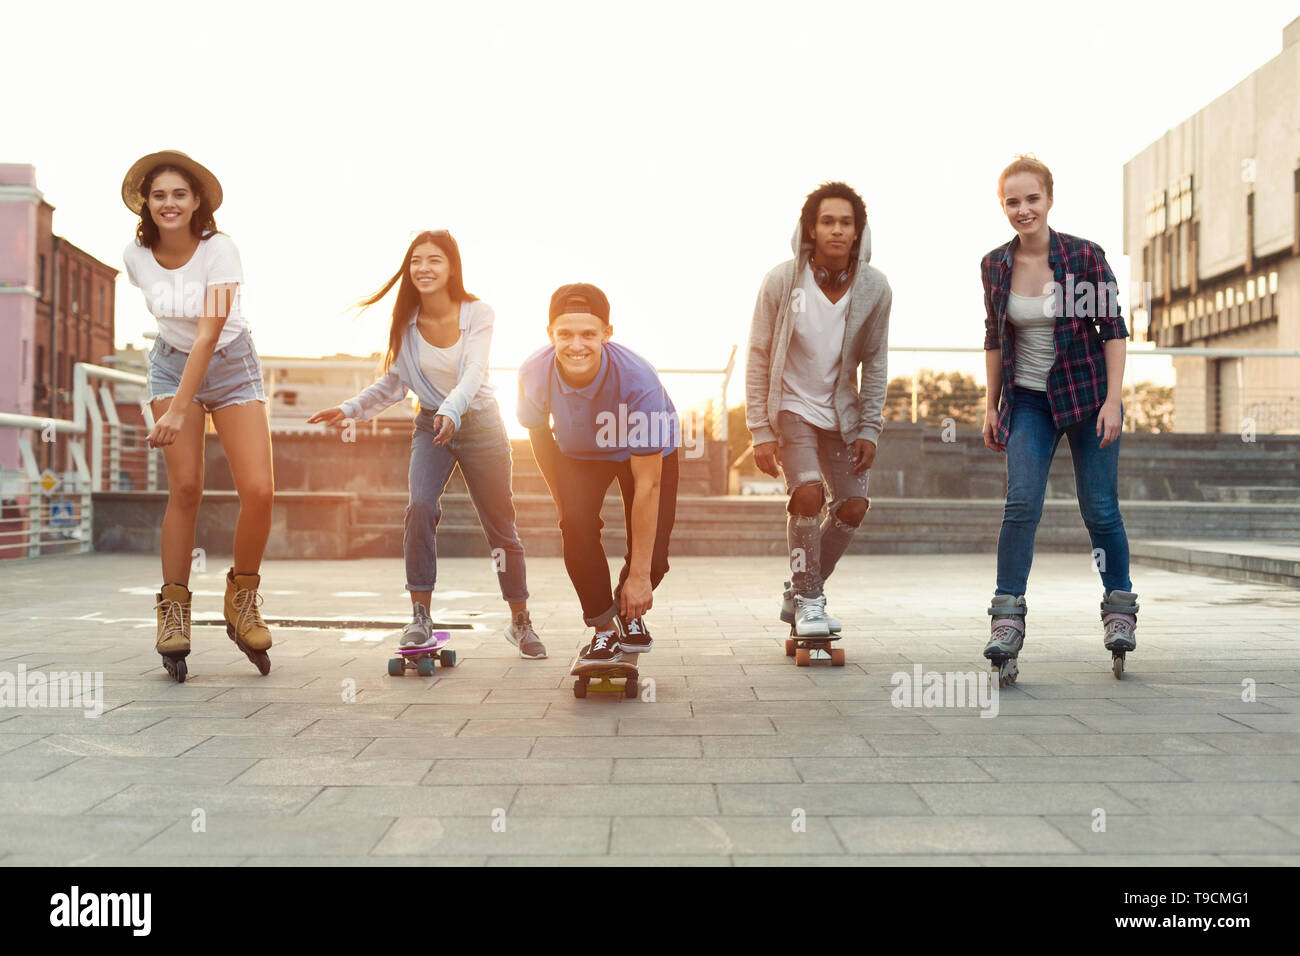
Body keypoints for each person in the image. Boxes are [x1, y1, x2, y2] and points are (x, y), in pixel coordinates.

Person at [308, 230, 545, 659]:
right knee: (419, 507)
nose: (424, 268)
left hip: (481, 425)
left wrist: (453, 412)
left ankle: (520, 620)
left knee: (500, 526)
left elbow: (474, 370)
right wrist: (350, 408)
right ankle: (420, 616)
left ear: (451, 266)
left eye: (434, 260)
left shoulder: (478, 313)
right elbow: (396, 382)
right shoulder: (406, 322)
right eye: (416, 260)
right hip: (429, 426)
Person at [980, 155, 1138, 684]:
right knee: (1021, 501)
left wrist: (1114, 400)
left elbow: (1113, 328)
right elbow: (997, 338)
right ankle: (1007, 618)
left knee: (1099, 508)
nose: (1022, 210)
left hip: (1088, 395)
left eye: (1032, 199)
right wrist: (991, 403)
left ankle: (1118, 609)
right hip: (1029, 400)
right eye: (1012, 201)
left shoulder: (1084, 257)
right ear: (1002, 206)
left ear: (1049, 199)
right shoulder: (995, 265)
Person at [121, 150, 275, 680]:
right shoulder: (135, 256)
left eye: (179, 195)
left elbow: (209, 333)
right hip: (169, 368)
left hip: (231, 365)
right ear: (147, 202)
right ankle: (173, 613)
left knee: (258, 489)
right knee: (185, 487)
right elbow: (179, 334)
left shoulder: (221, 251)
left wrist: (180, 412)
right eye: (159, 194)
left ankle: (242, 600)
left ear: (196, 203)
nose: (169, 203)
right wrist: (174, 403)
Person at [745, 181, 892, 637]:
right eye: (827, 221)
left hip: (842, 413)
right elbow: (758, 353)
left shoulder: (875, 288)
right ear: (811, 227)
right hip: (790, 407)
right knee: (807, 494)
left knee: (852, 505)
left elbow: (877, 360)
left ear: (858, 232)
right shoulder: (781, 280)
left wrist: (869, 427)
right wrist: (759, 430)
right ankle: (811, 602)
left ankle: (801, 588)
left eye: (846, 222)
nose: (836, 230)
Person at [517, 283, 679, 664]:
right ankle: (604, 629)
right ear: (550, 335)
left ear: (607, 333)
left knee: (653, 559)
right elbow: (539, 436)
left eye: (589, 334)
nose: (577, 344)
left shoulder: (639, 380)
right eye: (565, 334)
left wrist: (639, 578)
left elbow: (648, 484)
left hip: (641, 453)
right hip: (581, 453)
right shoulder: (534, 372)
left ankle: (629, 614)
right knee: (574, 526)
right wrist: (564, 505)